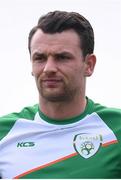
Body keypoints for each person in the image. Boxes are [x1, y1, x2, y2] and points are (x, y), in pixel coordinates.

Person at [0, 10, 121, 179]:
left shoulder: (117, 128)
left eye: (62, 57)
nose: (48, 68)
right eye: (40, 58)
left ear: (89, 65)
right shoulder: (4, 133)